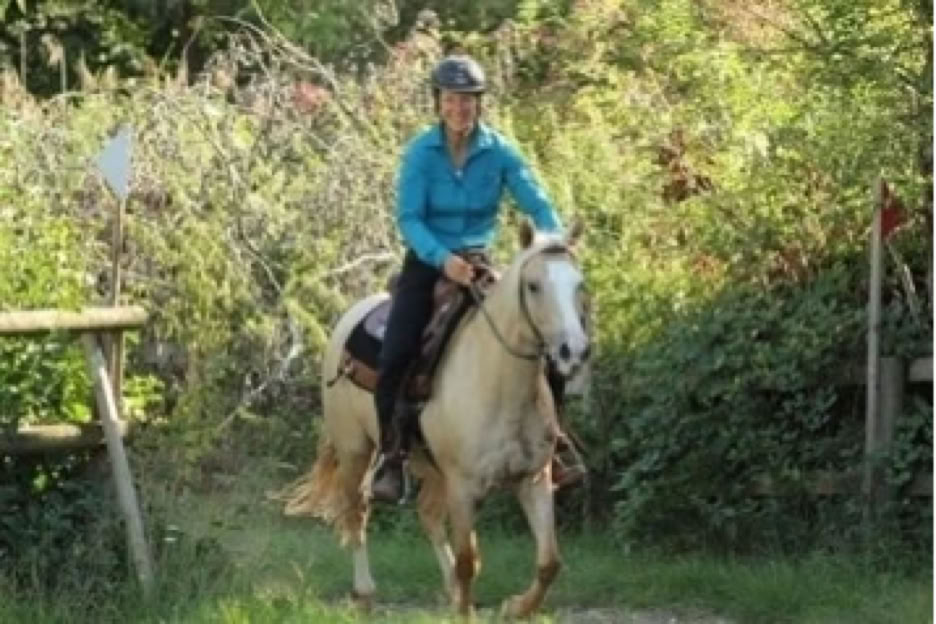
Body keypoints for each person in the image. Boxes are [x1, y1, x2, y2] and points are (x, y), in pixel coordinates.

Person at [371, 54, 586, 503]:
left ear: (479, 103)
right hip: (428, 262)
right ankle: (392, 455)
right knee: (396, 353)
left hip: (481, 263)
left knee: (546, 338)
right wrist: (442, 259)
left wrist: (553, 242)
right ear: (439, 102)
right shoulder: (421, 153)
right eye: (451, 99)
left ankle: (554, 439)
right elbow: (409, 218)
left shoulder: (499, 151)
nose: (459, 108)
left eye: (467, 99)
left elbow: (535, 200)